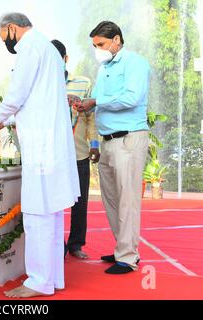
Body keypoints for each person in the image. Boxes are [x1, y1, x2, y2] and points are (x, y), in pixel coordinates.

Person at [0, 12, 80, 298]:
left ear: (12, 28)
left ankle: (37, 281)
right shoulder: (47, 48)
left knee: (37, 213)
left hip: (42, 146)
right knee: (51, 213)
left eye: (4, 38)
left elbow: (16, 96)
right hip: (50, 141)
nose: (6, 45)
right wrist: (9, 122)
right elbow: (37, 102)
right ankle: (51, 280)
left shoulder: (28, 47)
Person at [77, 21, 150, 274]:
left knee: (128, 199)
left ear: (117, 40)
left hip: (128, 139)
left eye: (101, 44)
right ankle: (124, 247)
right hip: (108, 142)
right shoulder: (104, 67)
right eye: (95, 45)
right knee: (112, 200)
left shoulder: (135, 63)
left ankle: (128, 257)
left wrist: (96, 100)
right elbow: (97, 103)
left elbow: (132, 97)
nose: (98, 49)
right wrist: (84, 103)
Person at [51, 39, 100, 260]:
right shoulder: (42, 84)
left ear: (65, 59)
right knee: (53, 202)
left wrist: (95, 144)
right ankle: (57, 245)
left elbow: (91, 117)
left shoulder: (83, 83)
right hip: (52, 154)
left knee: (80, 203)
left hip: (79, 151)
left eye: (57, 60)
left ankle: (76, 244)